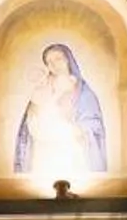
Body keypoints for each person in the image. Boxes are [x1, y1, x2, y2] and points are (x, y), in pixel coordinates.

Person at [14, 42, 108, 180]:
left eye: (58, 59)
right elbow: (29, 124)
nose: (53, 65)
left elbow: (93, 124)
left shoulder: (83, 92)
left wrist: (75, 129)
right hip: (44, 150)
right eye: (49, 62)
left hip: (71, 149)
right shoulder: (43, 87)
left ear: (68, 60)